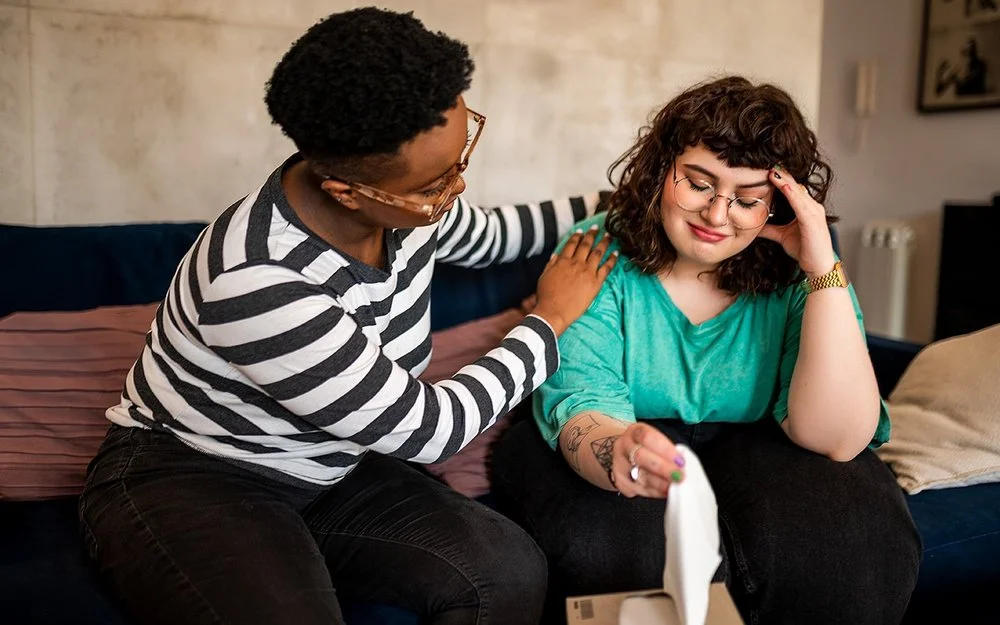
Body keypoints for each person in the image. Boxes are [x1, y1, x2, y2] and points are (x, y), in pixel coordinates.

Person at [78, 8, 617, 625]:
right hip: (199, 478)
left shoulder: (410, 210)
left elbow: (493, 235)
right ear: (346, 191)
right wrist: (549, 319)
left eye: (463, 152)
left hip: (335, 464)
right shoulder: (257, 278)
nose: (457, 189)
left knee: (507, 569)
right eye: (437, 182)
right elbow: (428, 431)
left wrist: (621, 201)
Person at [492, 76, 922, 625]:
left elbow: (835, 439)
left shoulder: (802, 270)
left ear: (779, 205)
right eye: (698, 184)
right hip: (624, 428)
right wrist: (615, 451)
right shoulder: (596, 248)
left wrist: (821, 270)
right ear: (661, 169)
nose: (718, 216)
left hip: (757, 438)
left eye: (747, 200)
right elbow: (582, 401)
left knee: (849, 547)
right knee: (625, 548)